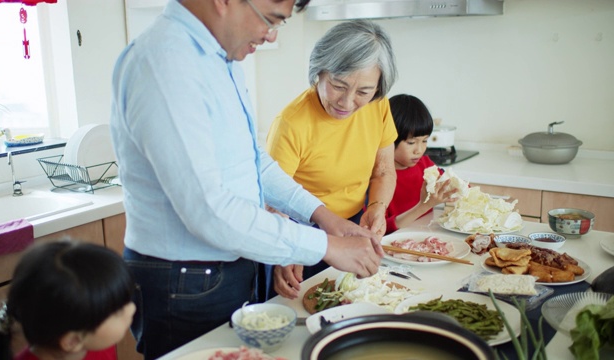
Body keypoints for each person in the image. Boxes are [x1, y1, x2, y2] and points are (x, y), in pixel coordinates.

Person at [109, 0, 384, 358]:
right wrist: (326, 246)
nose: (270, 36)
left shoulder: (219, 59)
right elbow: (209, 211)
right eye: (270, 20)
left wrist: (323, 217)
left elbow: (256, 163)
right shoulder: (165, 64)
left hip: (226, 267)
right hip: (185, 281)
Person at [265, 20, 398, 298]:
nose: (347, 102)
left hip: (354, 223)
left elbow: (384, 169)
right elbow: (273, 204)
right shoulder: (292, 123)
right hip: (303, 234)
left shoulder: (378, 105)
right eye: (338, 86)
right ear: (318, 73)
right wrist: (285, 254)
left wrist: (377, 206)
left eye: (363, 92)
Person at [0, 240, 135, 360]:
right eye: (118, 311)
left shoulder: (95, 344)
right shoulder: (96, 343)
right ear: (73, 341)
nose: (132, 309)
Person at [385, 94, 458, 234]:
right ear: (388, 138)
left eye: (424, 141)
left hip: (425, 234)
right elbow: (382, 227)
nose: (419, 150)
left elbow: (449, 184)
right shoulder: (377, 176)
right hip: (395, 243)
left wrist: (461, 190)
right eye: (411, 142)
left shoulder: (424, 164)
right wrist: (424, 206)